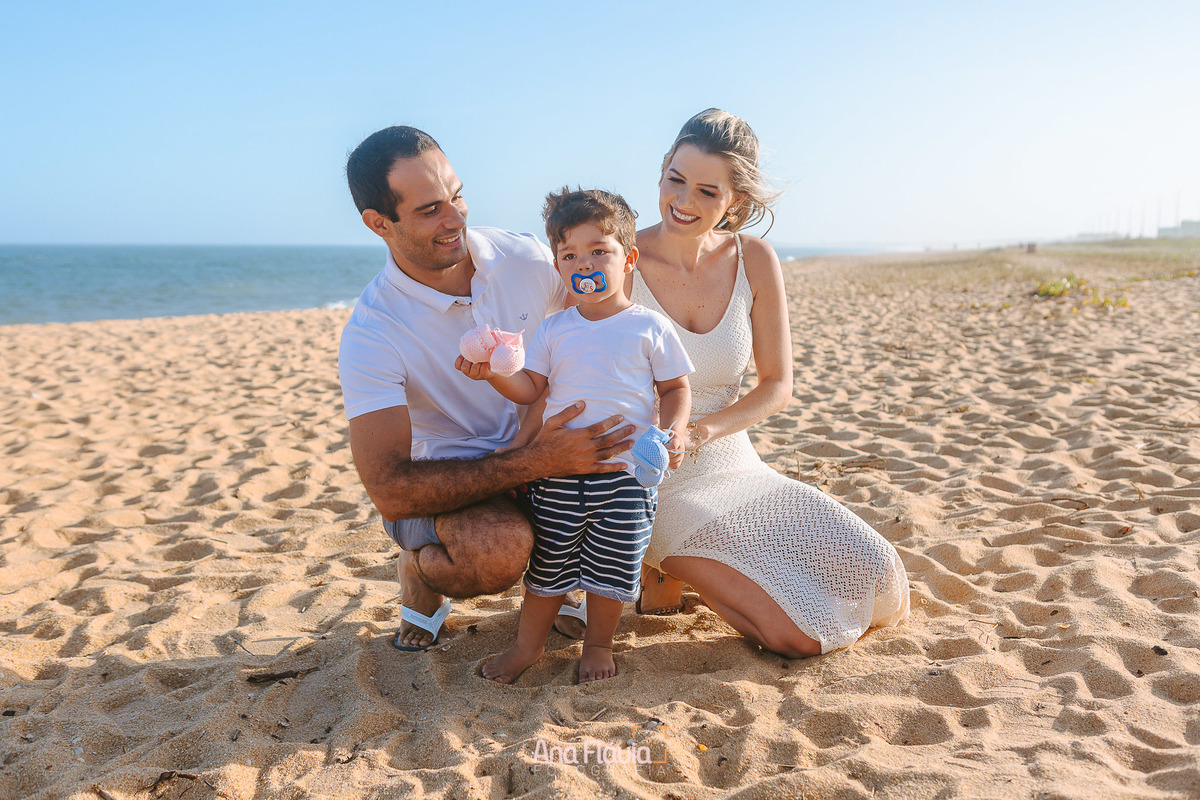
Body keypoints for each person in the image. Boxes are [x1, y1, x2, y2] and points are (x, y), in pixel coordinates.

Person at [338, 127, 635, 650]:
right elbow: (389, 489)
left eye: (456, 195)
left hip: (544, 447)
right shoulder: (372, 332)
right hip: (453, 484)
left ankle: (559, 580)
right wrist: (536, 459)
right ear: (378, 223)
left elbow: (591, 329)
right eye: (430, 210)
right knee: (494, 553)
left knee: (639, 487)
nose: (455, 219)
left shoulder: (524, 258)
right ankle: (419, 571)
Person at [628, 109, 910, 657]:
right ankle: (662, 563)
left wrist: (703, 433)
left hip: (735, 465)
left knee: (877, 577)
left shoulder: (753, 257)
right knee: (798, 635)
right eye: (675, 180)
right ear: (661, 171)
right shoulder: (620, 259)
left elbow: (777, 385)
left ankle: (694, 578)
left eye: (707, 191)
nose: (684, 202)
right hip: (652, 479)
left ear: (735, 201)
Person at [457, 188, 692, 683]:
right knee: (547, 569)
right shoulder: (552, 330)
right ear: (559, 267)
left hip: (626, 476)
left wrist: (674, 431)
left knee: (613, 569)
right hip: (559, 472)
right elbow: (529, 390)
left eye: (598, 251)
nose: (584, 263)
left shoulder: (650, 327)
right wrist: (493, 373)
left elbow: (674, 388)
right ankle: (527, 647)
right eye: (569, 255)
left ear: (628, 258)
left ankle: (599, 645)